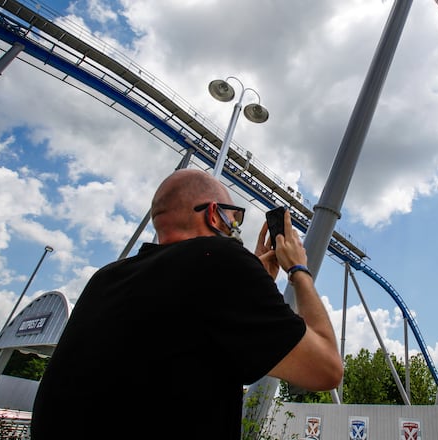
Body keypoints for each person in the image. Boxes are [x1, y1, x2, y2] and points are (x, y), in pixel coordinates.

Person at [31, 168, 343, 439]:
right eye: (232, 218)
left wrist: (256, 282)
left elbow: (181, 333)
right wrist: (298, 271)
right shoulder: (219, 260)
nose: (235, 229)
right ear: (211, 214)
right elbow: (326, 370)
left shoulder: (105, 278)